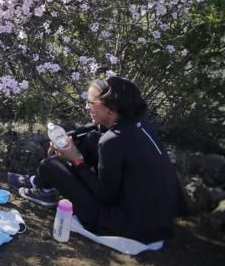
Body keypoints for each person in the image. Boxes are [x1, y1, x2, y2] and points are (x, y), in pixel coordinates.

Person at [10, 76, 186, 243]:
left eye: (91, 103)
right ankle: (42, 185)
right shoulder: (138, 124)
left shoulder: (112, 142)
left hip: (127, 225)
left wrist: (77, 159)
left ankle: (41, 186)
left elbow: (106, 196)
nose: (87, 107)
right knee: (91, 138)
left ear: (110, 110)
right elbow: (96, 128)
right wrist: (71, 135)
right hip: (159, 219)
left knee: (50, 165)